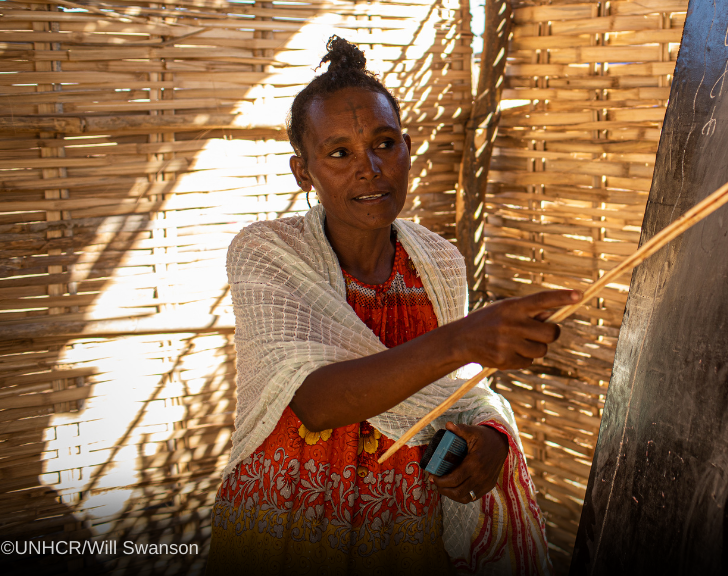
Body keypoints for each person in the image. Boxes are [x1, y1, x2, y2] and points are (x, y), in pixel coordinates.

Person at [207, 37, 572, 575]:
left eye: (383, 144)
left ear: (407, 148)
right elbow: (315, 402)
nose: (370, 168)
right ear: (303, 172)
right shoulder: (267, 252)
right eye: (339, 153)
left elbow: (460, 392)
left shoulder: (440, 263)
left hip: (405, 529)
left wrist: (490, 442)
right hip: (285, 523)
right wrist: (463, 339)